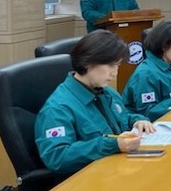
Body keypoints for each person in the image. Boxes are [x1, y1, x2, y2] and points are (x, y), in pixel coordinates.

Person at [35, 30, 155, 175]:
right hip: (87, 179)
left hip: (118, 169)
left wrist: (137, 121)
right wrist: (111, 145)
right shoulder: (58, 108)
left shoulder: (107, 92)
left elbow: (122, 118)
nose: (115, 73)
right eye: (110, 65)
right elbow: (57, 157)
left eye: (117, 65)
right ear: (88, 63)